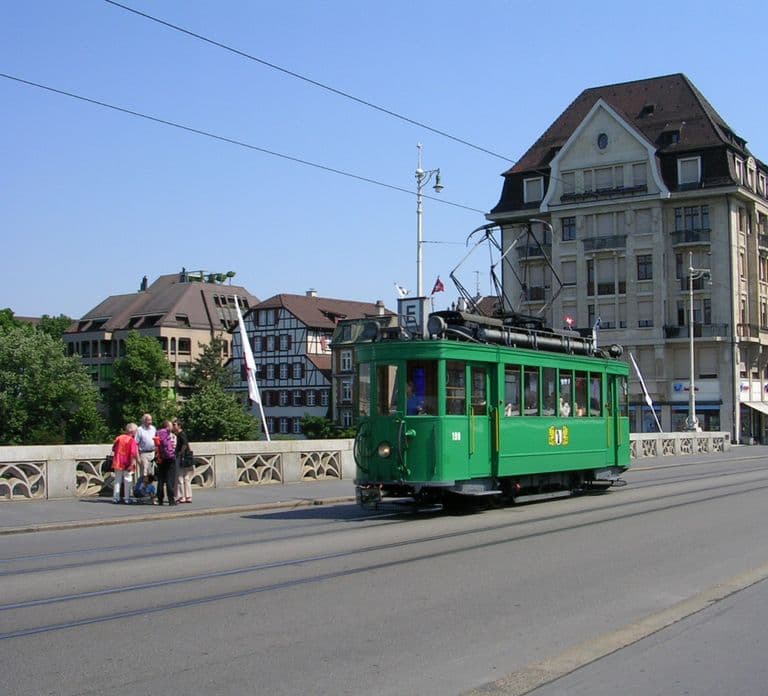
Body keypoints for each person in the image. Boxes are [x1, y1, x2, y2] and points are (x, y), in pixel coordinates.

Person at [111, 422, 139, 504]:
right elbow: (133, 453)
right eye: (135, 431)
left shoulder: (119, 438)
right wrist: (132, 464)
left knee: (117, 480)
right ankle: (127, 498)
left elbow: (113, 449)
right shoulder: (132, 440)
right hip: (127, 462)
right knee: (127, 479)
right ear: (132, 431)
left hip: (118, 461)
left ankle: (116, 498)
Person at [155, 420, 177, 506]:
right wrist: (172, 455)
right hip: (168, 459)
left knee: (160, 480)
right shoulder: (166, 433)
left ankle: (160, 499)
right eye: (171, 425)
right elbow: (167, 446)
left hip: (160, 458)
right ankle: (171, 500)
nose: (172, 427)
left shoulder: (158, 433)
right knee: (169, 480)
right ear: (167, 426)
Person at [173, 419, 193, 503]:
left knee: (180, 477)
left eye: (175, 425)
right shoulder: (181, 434)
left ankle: (182, 496)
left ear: (179, 426)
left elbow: (184, 444)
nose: (173, 426)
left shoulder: (181, 434)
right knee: (186, 477)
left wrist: (180, 453)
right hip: (185, 457)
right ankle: (188, 496)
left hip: (182, 457)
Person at [135, 413, 157, 478]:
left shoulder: (153, 428)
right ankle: (143, 487)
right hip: (143, 453)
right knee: (144, 473)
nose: (150, 422)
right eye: (148, 420)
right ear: (144, 421)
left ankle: (150, 487)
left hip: (152, 452)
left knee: (151, 473)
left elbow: (156, 439)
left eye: (151, 420)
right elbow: (136, 443)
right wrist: (137, 457)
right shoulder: (139, 430)